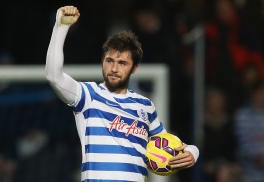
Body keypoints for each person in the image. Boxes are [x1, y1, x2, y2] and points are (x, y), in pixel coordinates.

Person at [45, 6, 199, 182]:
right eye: (109, 61)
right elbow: (53, 76)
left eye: (122, 63)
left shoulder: (145, 106)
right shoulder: (88, 95)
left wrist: (192, 152)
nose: (114, 68)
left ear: (134, 68)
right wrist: (61, 27)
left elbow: (170, 144)